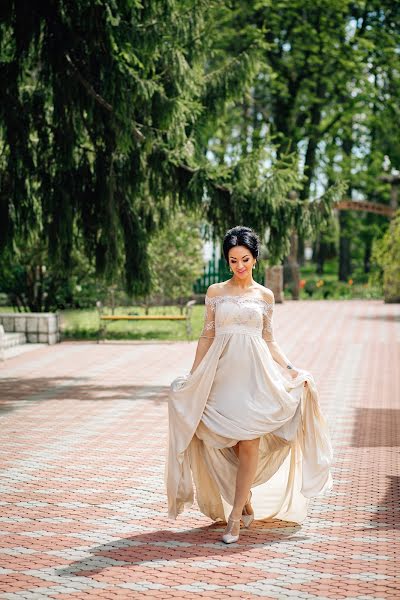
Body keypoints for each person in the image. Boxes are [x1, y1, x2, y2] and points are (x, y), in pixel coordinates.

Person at [165, 225, 333, 544]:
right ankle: (246, 501)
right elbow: (207, 335)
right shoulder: (216, 292)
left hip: (256, 378)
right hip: (222, 376)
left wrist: (292, 369)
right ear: (227, 262)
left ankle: (234, 519)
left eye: (244, 259)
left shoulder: (264, 296)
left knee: (250, 442)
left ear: (254, 258)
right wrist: (193, 375)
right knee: (223, 441)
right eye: (232, 260)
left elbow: (269, 339)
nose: (239, 266)